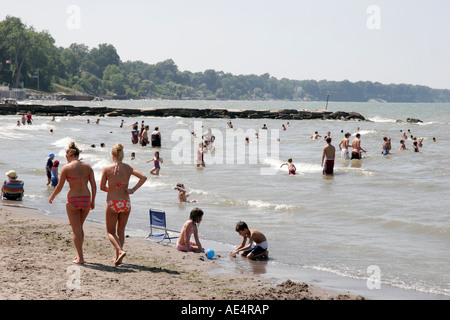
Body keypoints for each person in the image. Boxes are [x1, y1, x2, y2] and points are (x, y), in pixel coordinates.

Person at [49, 142, 97, 265]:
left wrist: (52, 196)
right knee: (79, 228)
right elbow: (93, 185)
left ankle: (80, 257)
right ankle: (78, 254)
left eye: (66, 155)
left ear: (69, 154)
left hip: (73, 199)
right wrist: (93, 200)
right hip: (86, 198)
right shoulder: (87, 167)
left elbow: (59, 186)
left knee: (76, 230)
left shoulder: (66, 168)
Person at [100, 143, 147, 266]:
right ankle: (118, 257)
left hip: (112, 203)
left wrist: (112, 189)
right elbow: (143, 177)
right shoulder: (128, 168)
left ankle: (120, 251)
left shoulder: (107, 169)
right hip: (125, 203)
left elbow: (101, 187)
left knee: (110, 232)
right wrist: (132, 190)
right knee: (121, 231)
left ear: (113, 155)